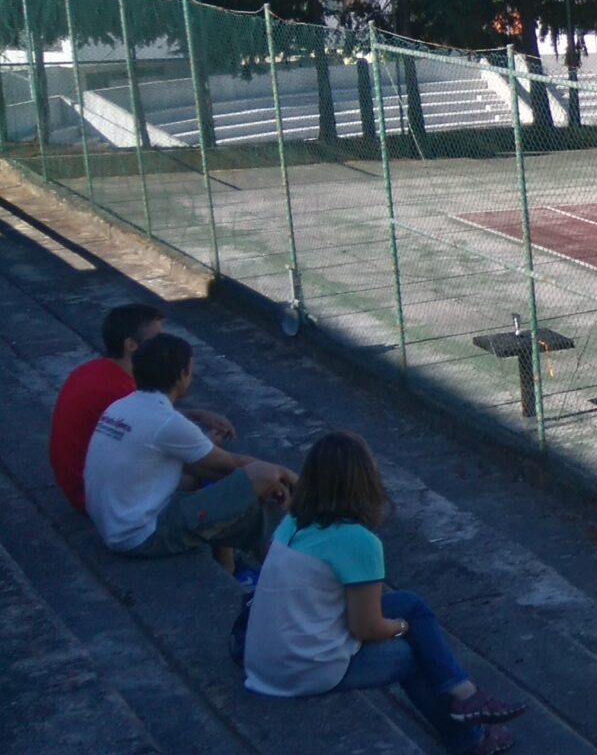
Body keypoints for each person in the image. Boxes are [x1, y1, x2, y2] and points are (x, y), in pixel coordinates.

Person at [243, 432, 524, 755]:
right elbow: (365, 628)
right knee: (414, 653)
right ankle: (471, 739)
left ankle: (466, 694)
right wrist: (402, 628)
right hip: (301, 671)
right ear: (363, 480)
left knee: (411, 604)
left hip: (264, 661)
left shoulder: (292, 522)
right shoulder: (357, 541)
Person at [84, 334, 294, 574]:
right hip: (141, 535)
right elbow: (234, 466)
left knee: (228, 489)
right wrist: (290, 477)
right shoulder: (167, 422)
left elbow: (211, 470)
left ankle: (239, 567)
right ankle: (275, 569)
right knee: (263, 475)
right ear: (182, 375)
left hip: (115, 524)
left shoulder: (121, 406)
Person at [51, 304, 234, 512]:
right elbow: (152, 427)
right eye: (157, 338)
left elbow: (145, 417)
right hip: (95, 497)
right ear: (131, 345)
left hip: (83, 484)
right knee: (206, 474)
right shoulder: (118, 389)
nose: (164, 342)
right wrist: (204, 445)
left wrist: (197, 415)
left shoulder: (93, 371)